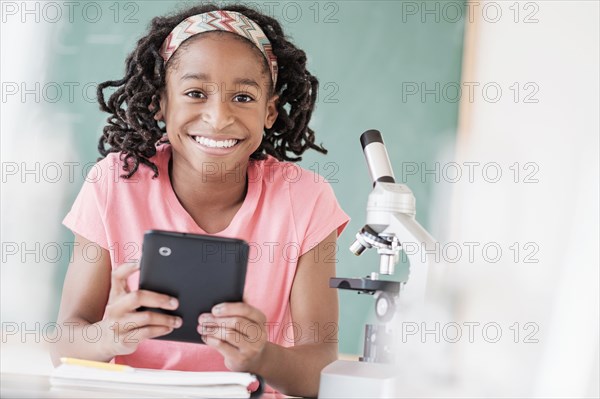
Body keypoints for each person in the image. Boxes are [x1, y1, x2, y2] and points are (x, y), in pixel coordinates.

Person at [51, 3, 349, 397]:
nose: (218, 117)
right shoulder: (113, 184)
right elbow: (65, 344)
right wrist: (109, 336)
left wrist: (261, 356)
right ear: (160, 102)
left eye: (243, 97)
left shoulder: (305, 199)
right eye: (195, 93)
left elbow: (321, 370)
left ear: (270, 111)